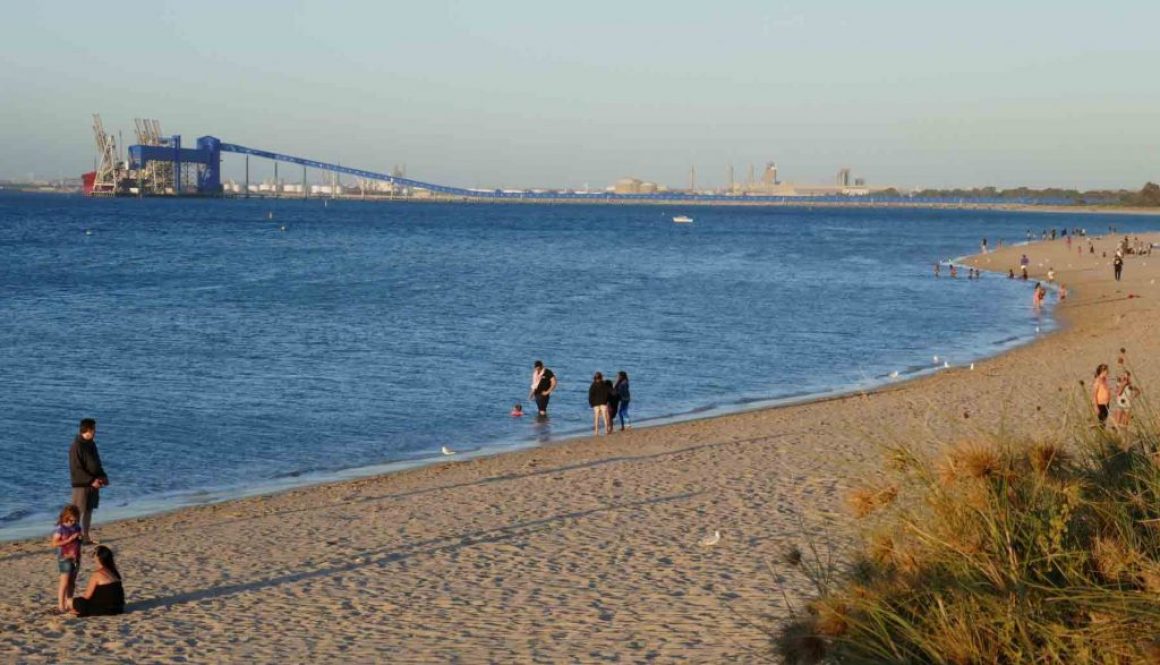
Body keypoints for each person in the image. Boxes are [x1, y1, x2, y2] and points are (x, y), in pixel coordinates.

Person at [69, 418, 108, 544]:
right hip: (81, 484)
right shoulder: (76, 446)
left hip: (93, 483)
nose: (95, 431)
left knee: (89, 510)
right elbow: (76, 468)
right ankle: (73, 537)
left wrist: (103, 476)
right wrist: (91, 480)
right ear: (88, 430)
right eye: (94, 429)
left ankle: (86, 537)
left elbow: (97, 462)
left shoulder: (91, 444)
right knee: (77, 511)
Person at [68, 545, 124, 617]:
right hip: (118, 608)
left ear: (98, 557)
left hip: (104, 609)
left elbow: (86, 596)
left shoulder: (97, 574)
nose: (93, 556)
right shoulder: (113, 572)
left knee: (70, 601)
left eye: (94, 553)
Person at [51, 505, 83, 613]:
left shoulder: (77, 526)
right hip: (64, 557)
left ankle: (69, 604)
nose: (73, 522)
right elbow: (54, 544)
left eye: (75, 520)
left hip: (76, 556)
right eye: (71, 520)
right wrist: (69, 539)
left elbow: (78, 541)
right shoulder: (60, 528)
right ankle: (61, 606)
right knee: (64, 582)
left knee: (72, 582)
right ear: (66, 517)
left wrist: (79, 538)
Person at [588, 372, 611, 436]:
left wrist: (591, 404)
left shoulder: (593, 385)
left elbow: (590, 395)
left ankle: (596, 432)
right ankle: (606, 430)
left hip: (595, 403)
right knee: (604, 417)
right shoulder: (604, 384)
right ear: (601, 377)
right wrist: (606, 401)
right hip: (603, 402)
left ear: (595, 378)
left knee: (596, 418)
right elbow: (607, 393)